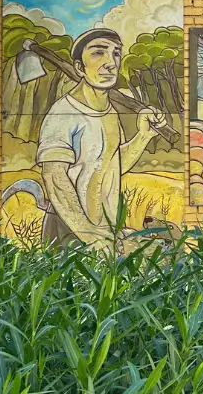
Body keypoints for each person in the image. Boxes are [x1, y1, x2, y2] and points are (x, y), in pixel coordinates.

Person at [37, 28, 167, 245]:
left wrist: (143, 136)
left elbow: (109, 165)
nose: (110, 62)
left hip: (104, 230)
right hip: (70, 229)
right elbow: (54, 177)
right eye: (99, 53)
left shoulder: (110, 112)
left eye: (116, 53)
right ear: (79, 67)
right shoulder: (64, 113)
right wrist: (88, 234)